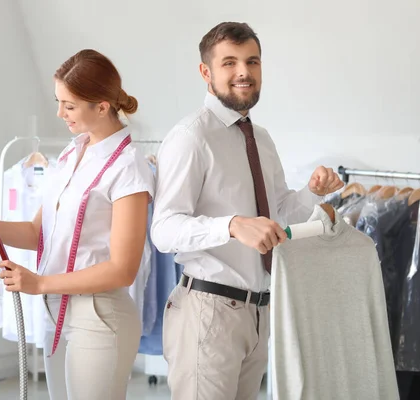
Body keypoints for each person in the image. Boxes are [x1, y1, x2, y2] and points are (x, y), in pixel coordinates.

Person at [150, 22, 344, 400]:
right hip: (209, 311)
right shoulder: (190, 137)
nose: (244, 72)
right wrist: (233, 225)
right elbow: (164, 229)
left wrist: (312, 192)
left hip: (258, 313)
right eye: (230, 63)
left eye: (252, 61)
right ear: (206, 72)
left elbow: (279, 214)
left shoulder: (262, 139)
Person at [0, 49, 155, 400]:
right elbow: (36, 234)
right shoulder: (70, 156)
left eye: (70, 105)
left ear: (102, 106)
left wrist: (40, 282)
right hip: (58, 308)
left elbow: (123, 269)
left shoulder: (129, 168)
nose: (60, 113)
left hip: (100, 316)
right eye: (58, 102)